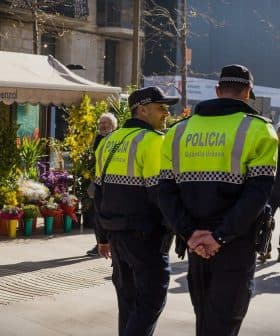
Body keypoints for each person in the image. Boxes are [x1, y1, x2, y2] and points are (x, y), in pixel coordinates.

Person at [159, 64, 278, 336]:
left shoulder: (178, 132)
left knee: (205, 322)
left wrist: (191, 234)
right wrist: (220, 236)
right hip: (235, 244)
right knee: (223, 324)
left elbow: (164, 192)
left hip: (195, 245)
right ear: (248, 92)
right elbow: (257, 194)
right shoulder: (260, 130)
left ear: (217, 90)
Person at [94, 86, 179, 336]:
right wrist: (177, 230)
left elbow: (98, 194)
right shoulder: (154, 141)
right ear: (142, 110)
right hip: (146, 238)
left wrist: (102, 238)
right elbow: (159, 195)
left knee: (129, 305)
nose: (166, 112)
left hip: (117, 237)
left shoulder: (109, 141)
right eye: (161, 107)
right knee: (151, 300)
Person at [86, 112, 118, 257]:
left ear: (113, 125)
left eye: (106, 123)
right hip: (99, 182)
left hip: (113, 183)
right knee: (98, 215)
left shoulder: (117, 139)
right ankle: (101, 243)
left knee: (106, 215)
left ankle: (107, 243)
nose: (102, 126)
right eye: (101, 123)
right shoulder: (99, 139)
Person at [258, 123, 280, 262]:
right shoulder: (272, 146)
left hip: (273, 188)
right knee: (267, 219)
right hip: (272, 189)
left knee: (268, 219)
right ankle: (265, 249)